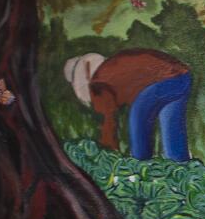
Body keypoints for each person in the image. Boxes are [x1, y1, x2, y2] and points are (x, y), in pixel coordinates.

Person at [64, 49, 192, 161]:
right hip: (182, 77)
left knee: (138, 119)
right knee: (172, 127)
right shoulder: (114, 65)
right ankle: (182, 167)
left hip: (161, 81)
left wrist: (109, 153)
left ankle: (140, 165)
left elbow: (108, 121)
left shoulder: (99, 83)